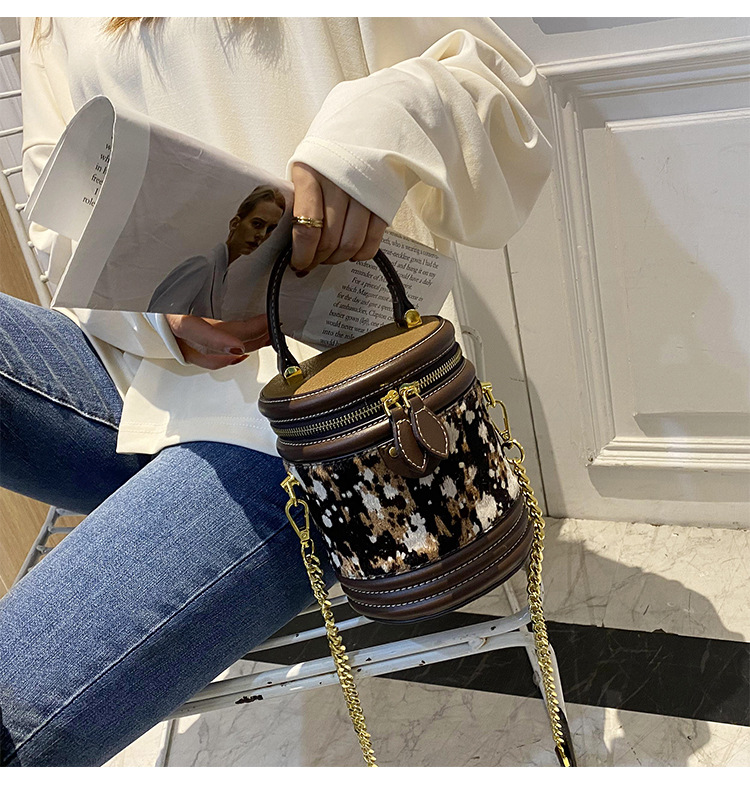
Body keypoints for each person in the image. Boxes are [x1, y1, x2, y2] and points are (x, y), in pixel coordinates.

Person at [0, 17, 553, 766]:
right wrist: (161, 310)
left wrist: (365, 145)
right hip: (135, 365)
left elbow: (503, 86)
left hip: (328, 416)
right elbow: (58, 201)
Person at [146, 186, 286, 319]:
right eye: (257, 224)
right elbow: (160, 315)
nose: (261, 235)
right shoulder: (204, 265)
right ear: (235, 223)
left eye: (269, 229)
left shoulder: (222, 273)